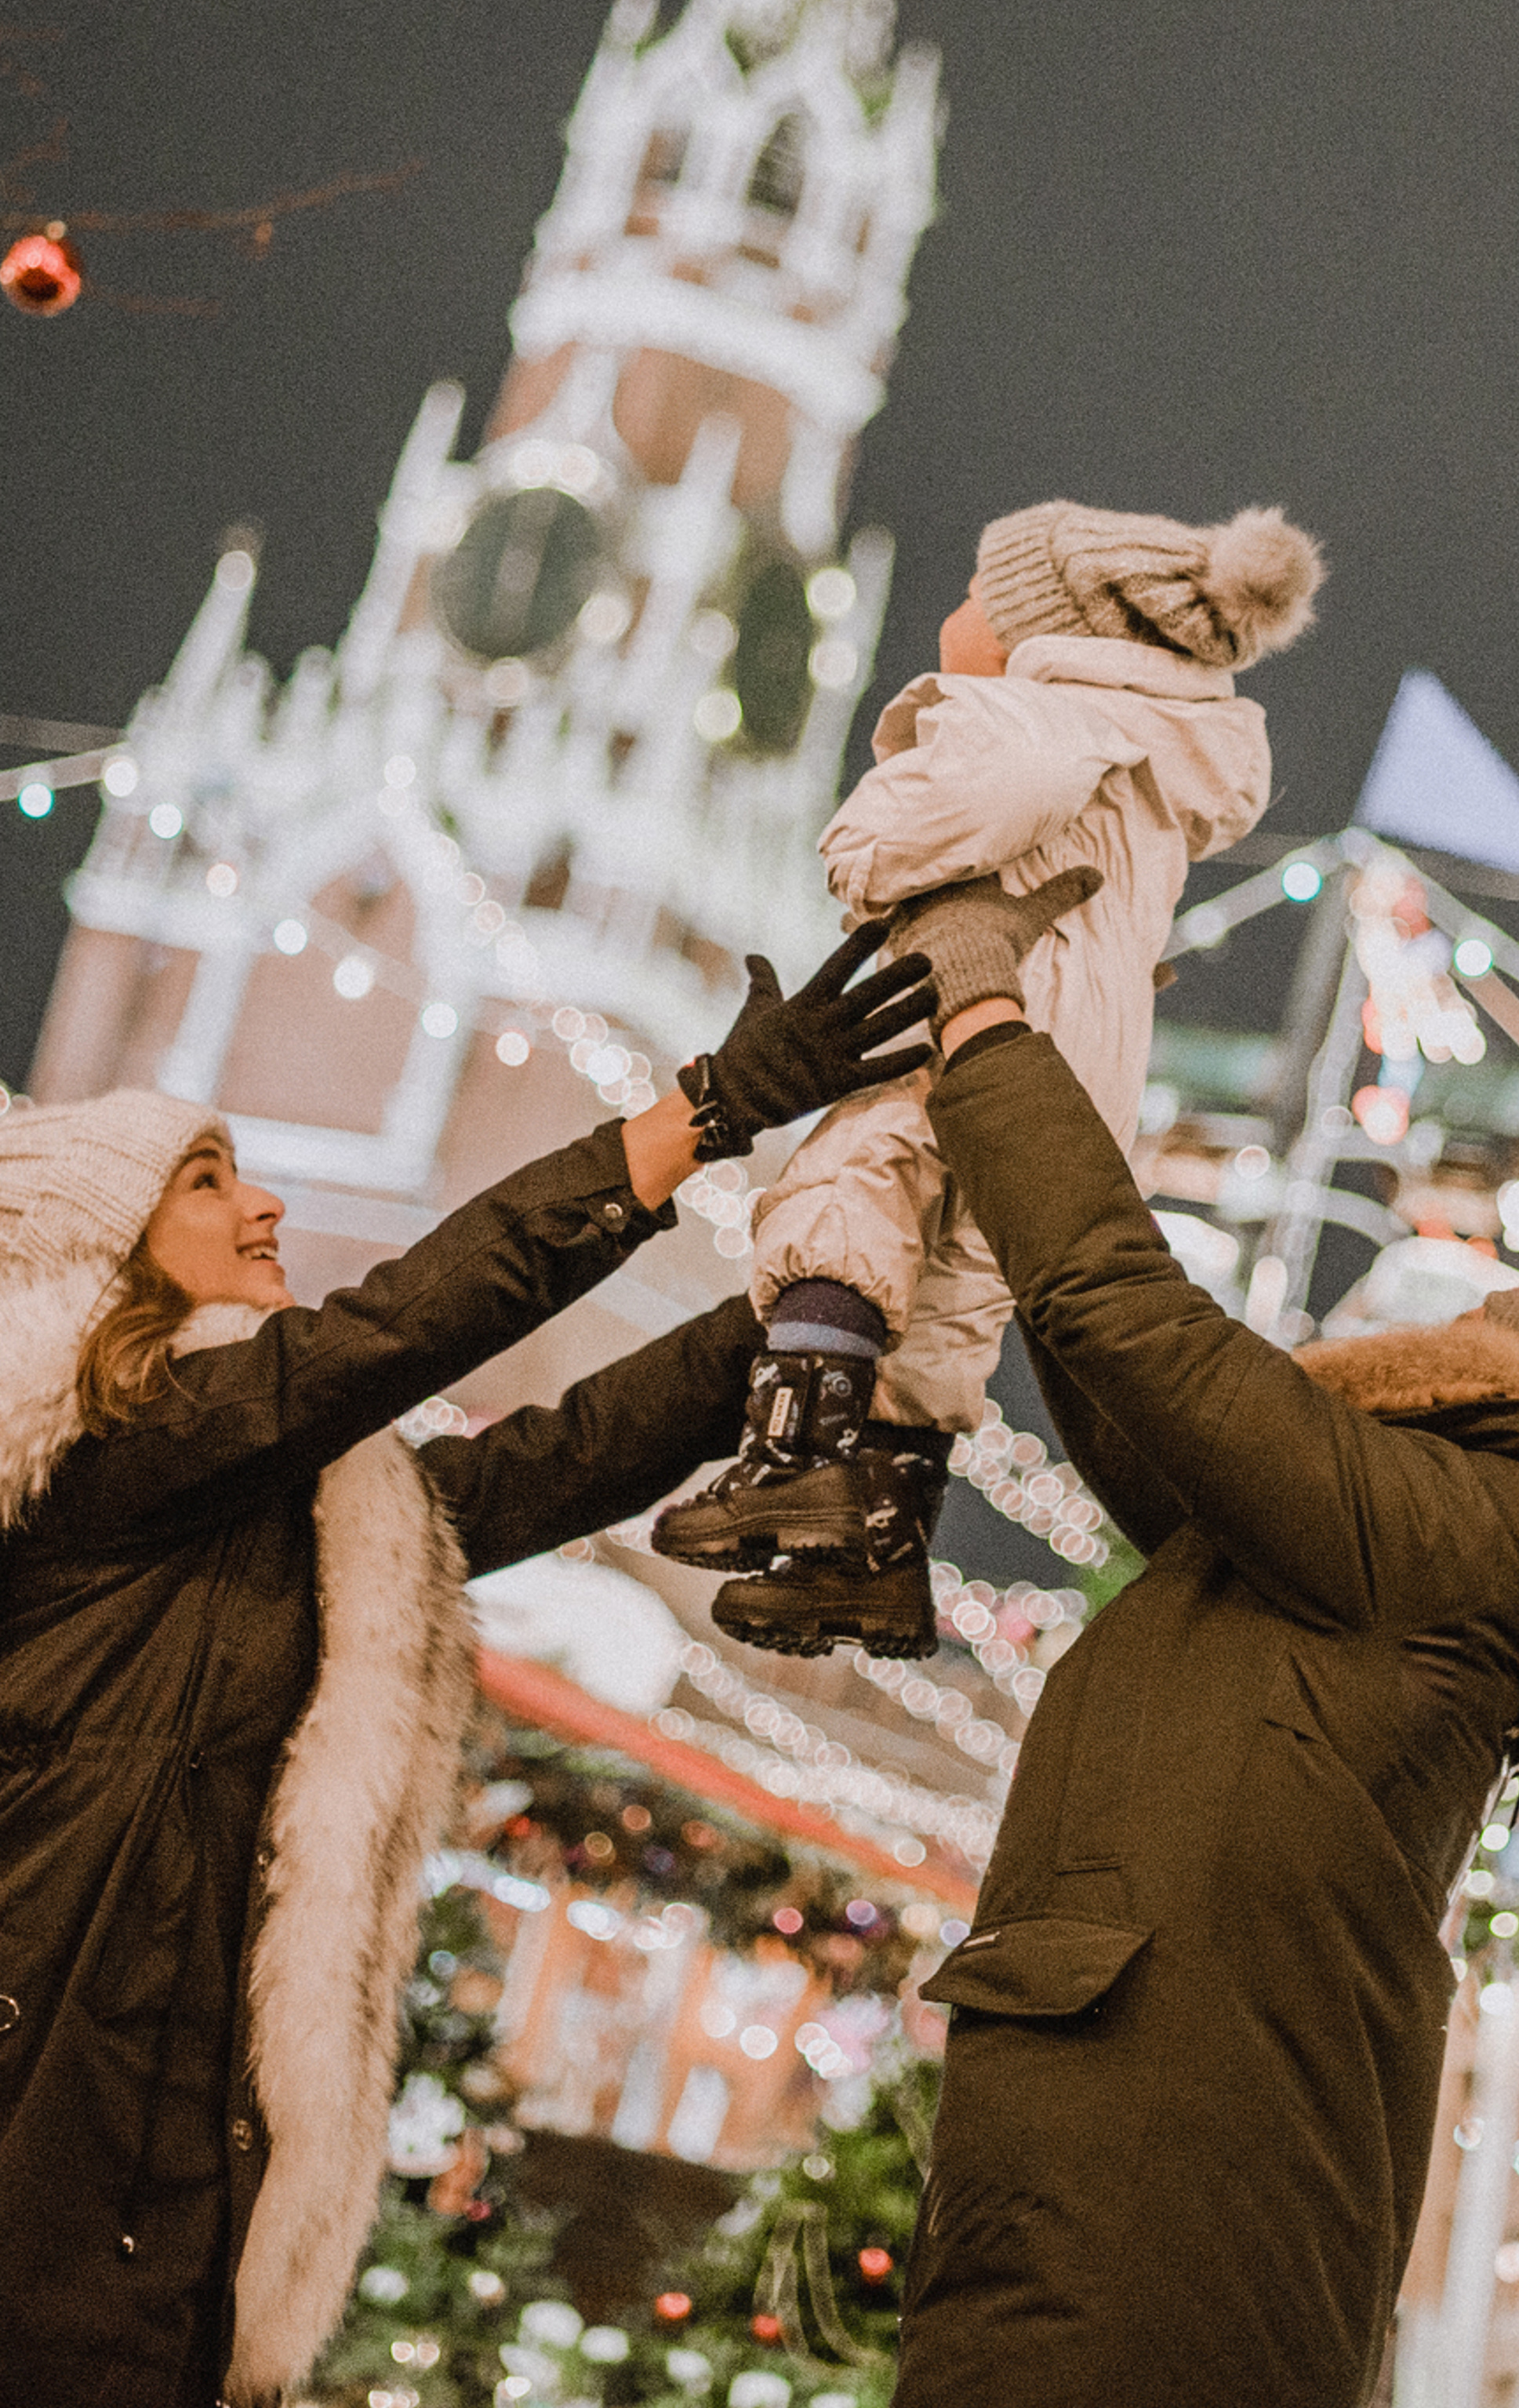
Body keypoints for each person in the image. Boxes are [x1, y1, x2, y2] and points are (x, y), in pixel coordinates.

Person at [0, 928, 935, 2408]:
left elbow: (549, 1469)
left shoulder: (297, 1508)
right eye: (207, 1180)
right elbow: (392, 1334)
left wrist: (817, 1285)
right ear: (97, 1246)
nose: (264, 1201)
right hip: (37, 2142)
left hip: (171, 2177)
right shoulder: (93, 1465)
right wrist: (701, 1110)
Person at [871, 933, 1519, 2408]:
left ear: (1470, 1399)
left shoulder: (1451, 1538)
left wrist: (992, 1024)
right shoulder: (1392, 1560)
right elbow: (1135, 1389)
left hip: (1154, 2200)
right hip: (1141, 2179)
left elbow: (1135, 1324)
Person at [652, 497, 1323, 1661]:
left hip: (975, 1010)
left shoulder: (1030, 715)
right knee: (954, 1295)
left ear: (1045, 630)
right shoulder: (1156, 750)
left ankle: (792, 1463)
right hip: (1082, 1067)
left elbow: (988, 793)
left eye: (978, 598)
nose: (956, 616)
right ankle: (872, 1554)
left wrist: (865, 851)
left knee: (853, 1186)